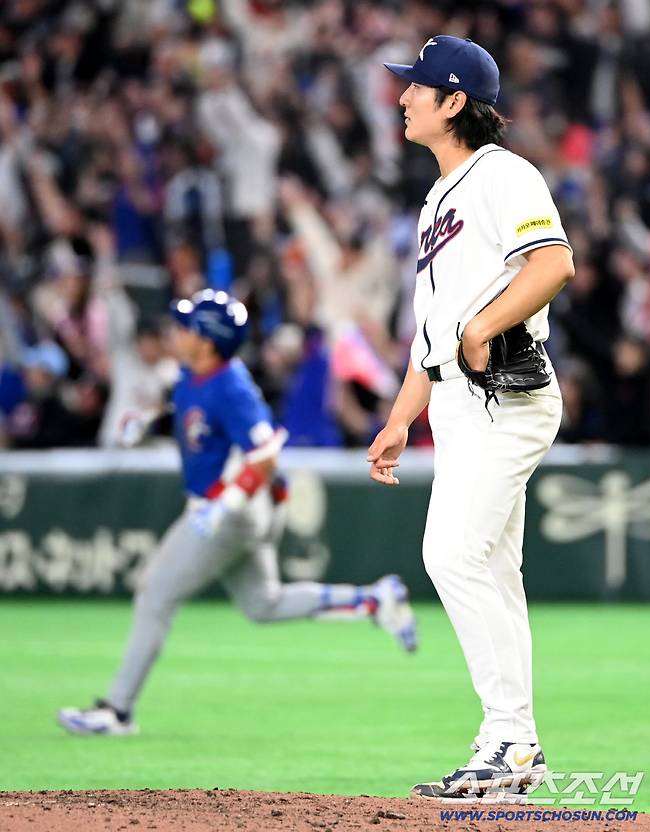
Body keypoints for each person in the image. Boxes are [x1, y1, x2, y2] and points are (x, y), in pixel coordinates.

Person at [57, 290, 417, 736]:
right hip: (244, 508)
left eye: (187, 327)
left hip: (231, 510)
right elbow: (198, 419)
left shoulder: (231, 385)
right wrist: (154, 419)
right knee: (262, 604)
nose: (177, 332)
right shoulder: (195, 374)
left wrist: (224, 505)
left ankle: (117, 710)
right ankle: (372, 600)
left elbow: (265, 454)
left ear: (208, 341)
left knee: (154, 594)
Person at [367, 37, 574, 801]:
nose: (403, 97)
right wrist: (400, 420)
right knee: (490, 571)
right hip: (455, 399)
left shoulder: (502, 173)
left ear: (454, 102)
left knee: (450, 554)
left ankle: (510, 741)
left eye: (417, 88)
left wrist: (484, 327)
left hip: (506, 394)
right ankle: (519, 753)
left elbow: (554, 263)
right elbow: (434, 336)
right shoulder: (437, 198)